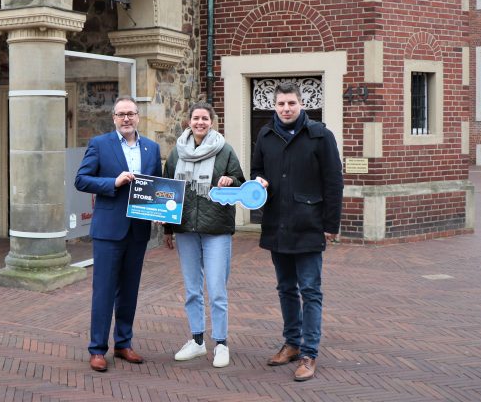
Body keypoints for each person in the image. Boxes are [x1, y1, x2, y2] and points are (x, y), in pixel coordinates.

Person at [250, 81, 343, 382]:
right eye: (281, 104)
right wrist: (259, 182)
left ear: (302, 104)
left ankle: (309, 353)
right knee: (286, 288)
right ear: (274, 106)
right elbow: (256, 172)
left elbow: (333, 182)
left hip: (309, 224)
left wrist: (331, 225)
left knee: (310, 291)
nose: (286, 109)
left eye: (291, 103)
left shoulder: (320, 136)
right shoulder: (265, 135)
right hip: (277, 223)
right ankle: (291, 343)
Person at [75, 96, 162, 372]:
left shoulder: (152, 147)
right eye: (121, 114)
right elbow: (81, 179)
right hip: (109, 231)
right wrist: (113, 182)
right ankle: (97, 349)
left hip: (138, 231)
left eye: (131, 113)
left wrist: (162, 214)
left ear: (138, 117)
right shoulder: (100, 145)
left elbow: (156, 186)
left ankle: (123, 344)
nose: (126, 118)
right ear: (113, 118)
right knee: (103, 291)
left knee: (130, 291)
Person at [163, 102, 245, 368]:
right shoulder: (176, 152)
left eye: (205, 118)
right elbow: (167, 191)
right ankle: (197, 341)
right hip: (185, 228)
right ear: (189, 121)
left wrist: (230, 181)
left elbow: (241, 183)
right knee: (192, 289)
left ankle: (221, 343)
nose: (200, 122)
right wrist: (168, 229)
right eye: (196, 118)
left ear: (212, 122)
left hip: (217, 229)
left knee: (217, 289)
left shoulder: (225, 150)